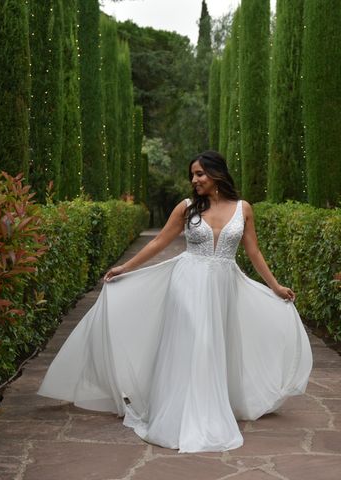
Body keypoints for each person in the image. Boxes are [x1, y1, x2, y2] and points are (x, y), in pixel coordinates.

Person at [37, 150, 313, 453]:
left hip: (224, 286)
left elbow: (253, 252)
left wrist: (274, 286)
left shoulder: (243, 208)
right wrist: (125, 268)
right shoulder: (186, 208)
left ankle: (209, 404)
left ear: (217, 173)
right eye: (192, 175)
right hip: (188, 282)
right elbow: (159, 242)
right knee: (197, 341)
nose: (194, 180)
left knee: (214, 345)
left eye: (200, 174)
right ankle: (185, 413)